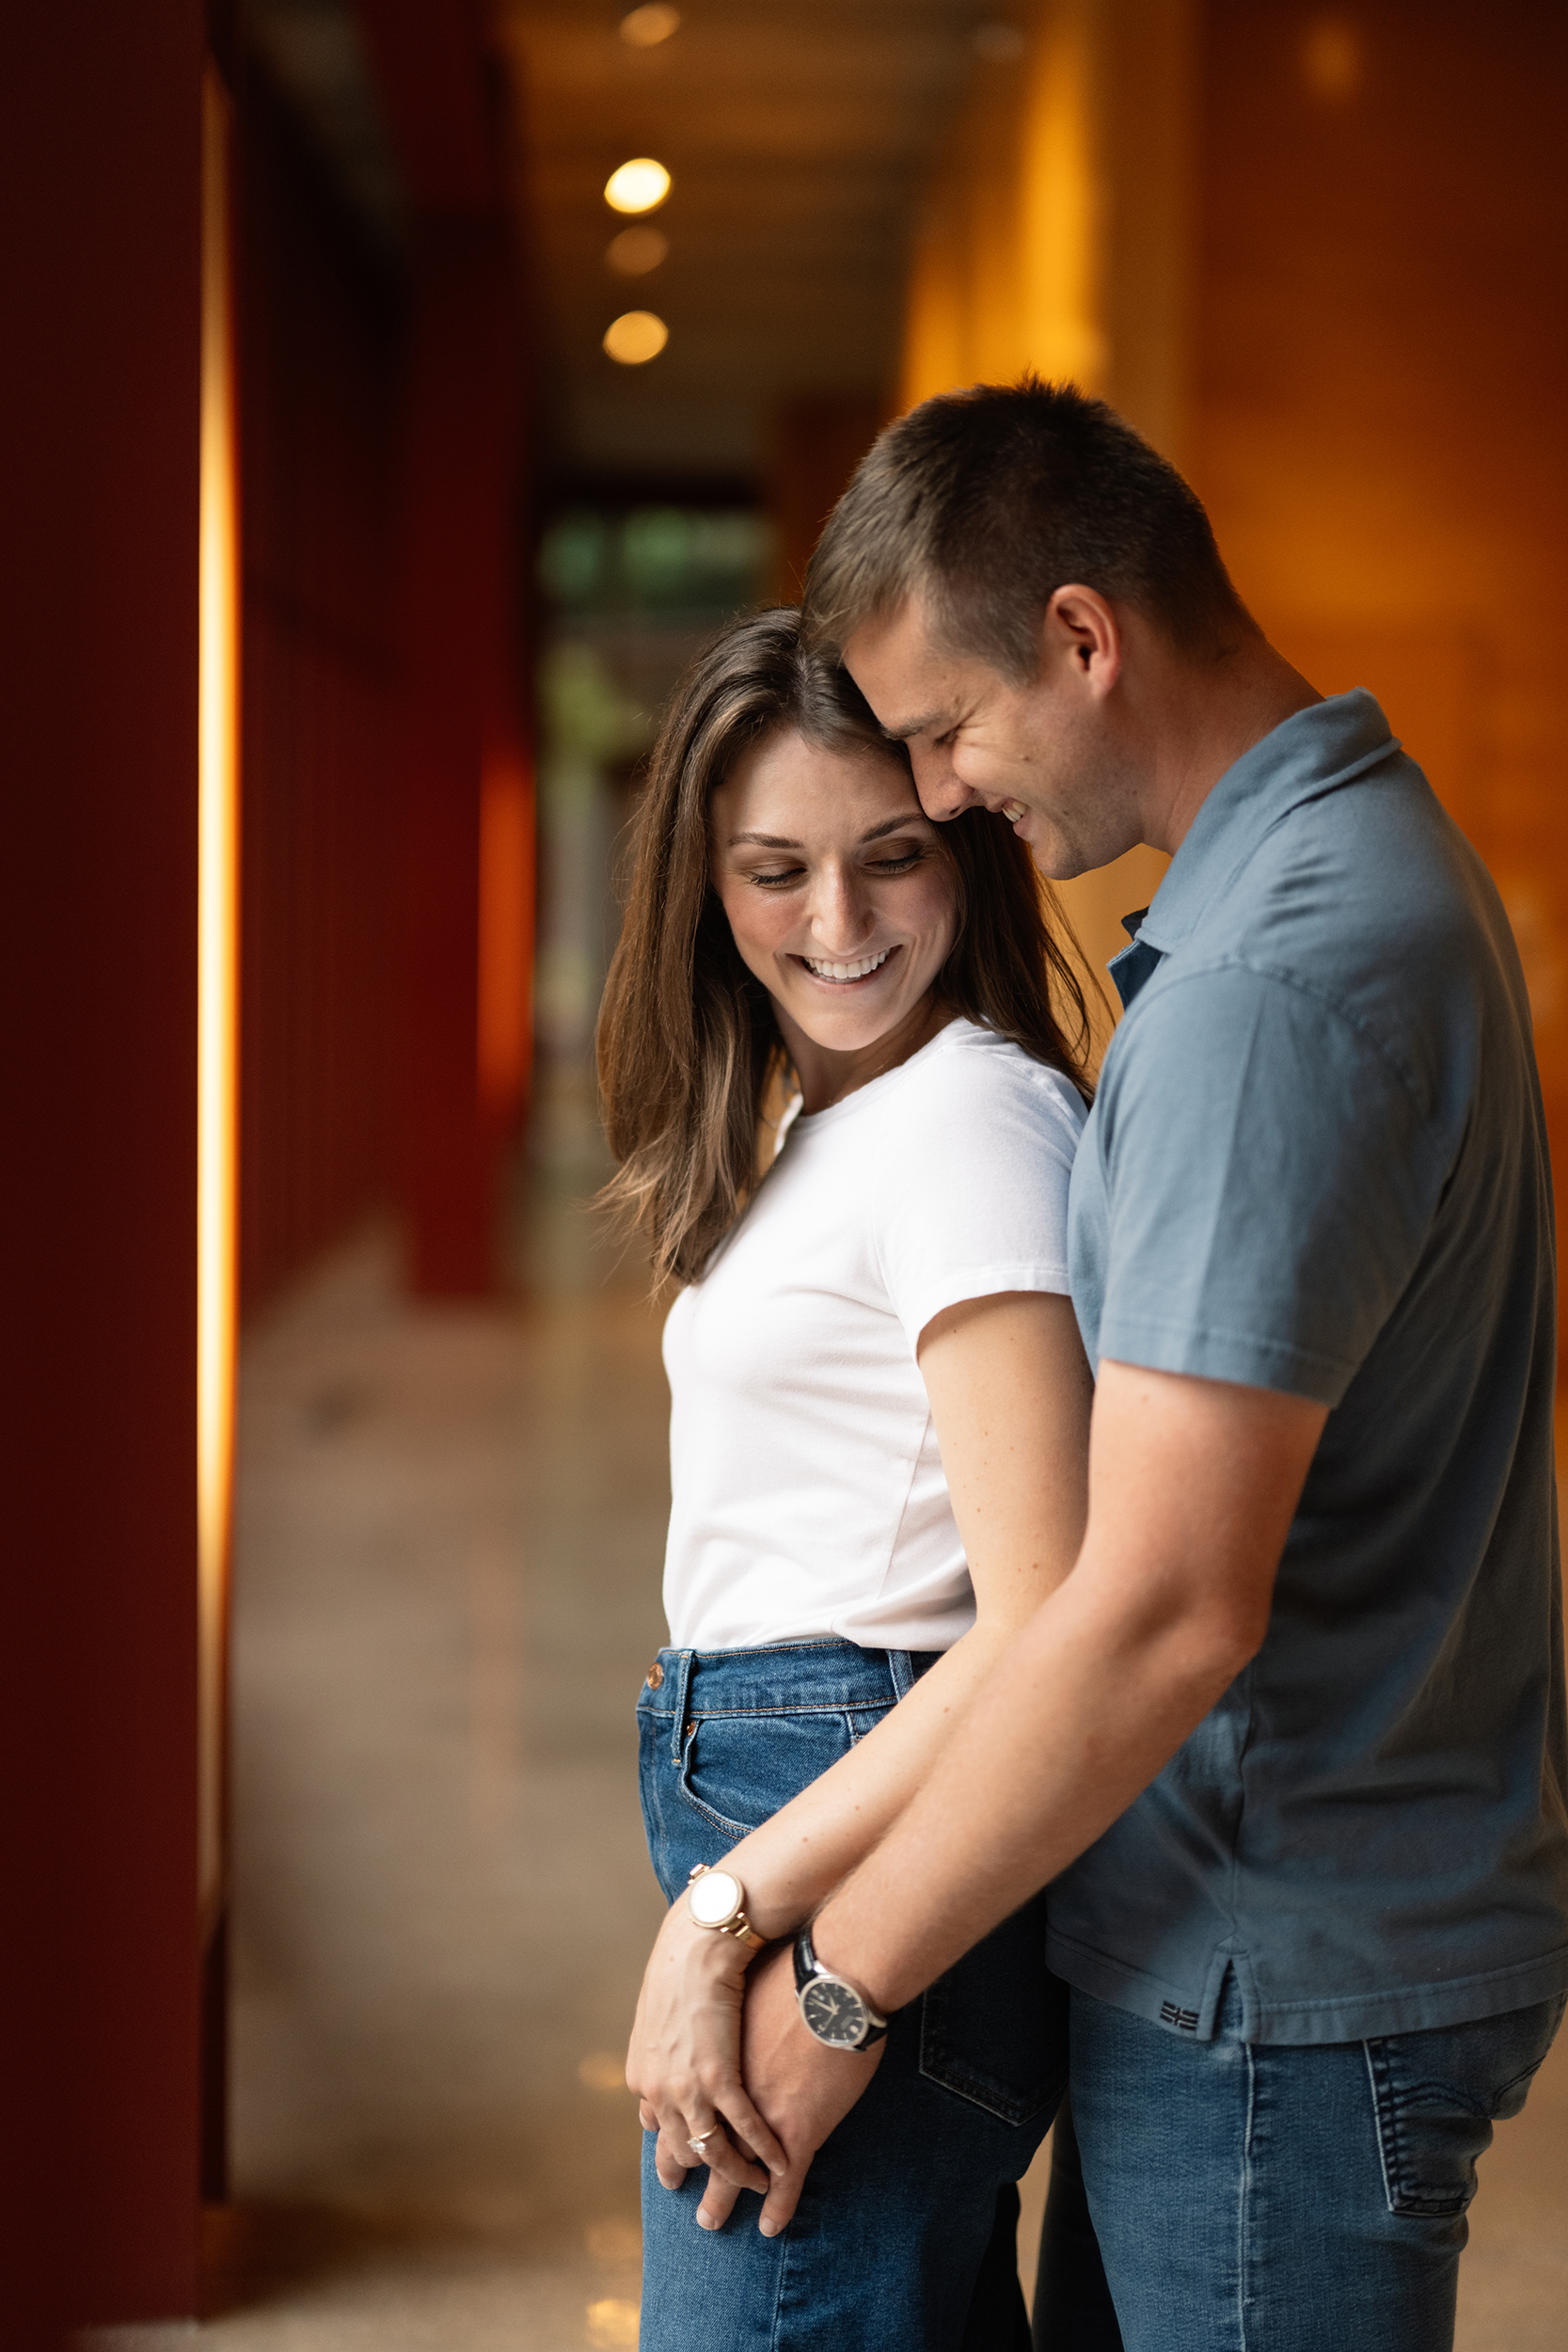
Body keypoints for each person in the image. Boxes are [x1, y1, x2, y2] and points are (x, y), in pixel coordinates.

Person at [683, 380, 1566, 2352]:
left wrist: (835, 1981)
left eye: (944, 731)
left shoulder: (1268, 975)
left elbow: (1158, 1603)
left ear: (1084, 638)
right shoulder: (1340, 863)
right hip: (1273, 1948)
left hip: (1283, 1977)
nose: (953, 788)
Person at [596, 607, 1108, 2348]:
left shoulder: (965, 1120)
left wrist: (730, 1918)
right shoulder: (847, 1118)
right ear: (701, 883)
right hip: (811, 1794)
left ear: (962, 844)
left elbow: (1048, 1619)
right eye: (773, 870)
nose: (836, 926)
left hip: (852, 1843)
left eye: (889, 857)